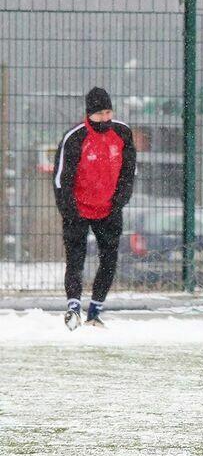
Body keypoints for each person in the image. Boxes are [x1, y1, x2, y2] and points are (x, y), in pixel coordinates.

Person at [54, 87, 136, 330]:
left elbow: (128, 173)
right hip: (77, 211)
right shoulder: (75, 138)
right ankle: (73, 308)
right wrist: (70, 211)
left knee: (109, 260)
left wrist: (118, 202)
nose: (105, 118)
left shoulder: (122, 133)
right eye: (99, 114)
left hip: (108, 211)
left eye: (108, 112)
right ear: (89, 114)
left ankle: (95, 312)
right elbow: (61, 179)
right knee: (75, 260)